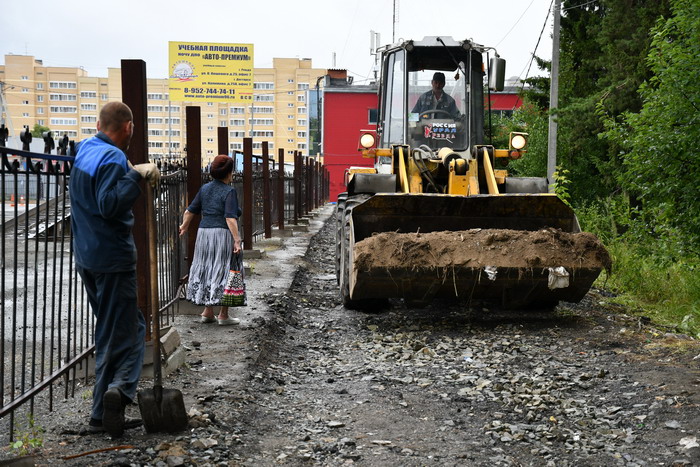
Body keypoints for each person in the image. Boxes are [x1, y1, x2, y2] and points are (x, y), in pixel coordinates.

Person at [69, 101, 160, 437]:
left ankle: (101, 414)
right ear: (128, 127)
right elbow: (108, 205)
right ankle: (118, 393)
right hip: (112, 258)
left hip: (88, 256)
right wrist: (134, 175)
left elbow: (91, 198)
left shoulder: (85, 151)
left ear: (98, 124)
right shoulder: (112, 157)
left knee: (115, 329)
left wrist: (128, 172)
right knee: (131, 331)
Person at [179, 154, 242, 326]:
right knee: (227, 269)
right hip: (221, 234)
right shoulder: (229, 191)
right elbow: (230, 218)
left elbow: (189, 211)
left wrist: (184, 226)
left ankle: (207, 311)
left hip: (204, 234)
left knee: (207, 267)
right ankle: (223, 314)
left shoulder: (205, 189)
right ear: (229, 172)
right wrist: (237, 240)